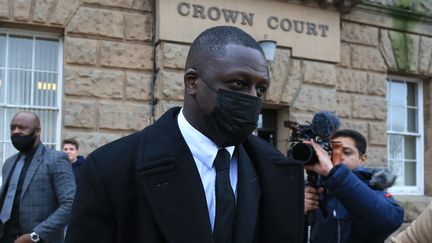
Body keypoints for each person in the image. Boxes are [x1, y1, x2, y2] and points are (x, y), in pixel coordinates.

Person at [65, 26, 305, 243]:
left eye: (260, 89)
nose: (253, 98)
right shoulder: (111, 169)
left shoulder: (276, 170)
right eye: (238, 84)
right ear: (192, 82)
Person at [303, 129, 404, 243]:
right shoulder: (314, 190)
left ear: (362, 159)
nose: (339, 156)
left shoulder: (373, 188)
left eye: (346, 152)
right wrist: (298, 211)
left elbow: (388, 221)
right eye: (333, 151)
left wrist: (335, 175)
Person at [0, 111, 76, 243]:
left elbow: (70, 203)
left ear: (37, 131)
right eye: (12, 128)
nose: (15, 132)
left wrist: (35, 236)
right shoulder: (9, 163)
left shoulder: (56, 159)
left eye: (22, 128)